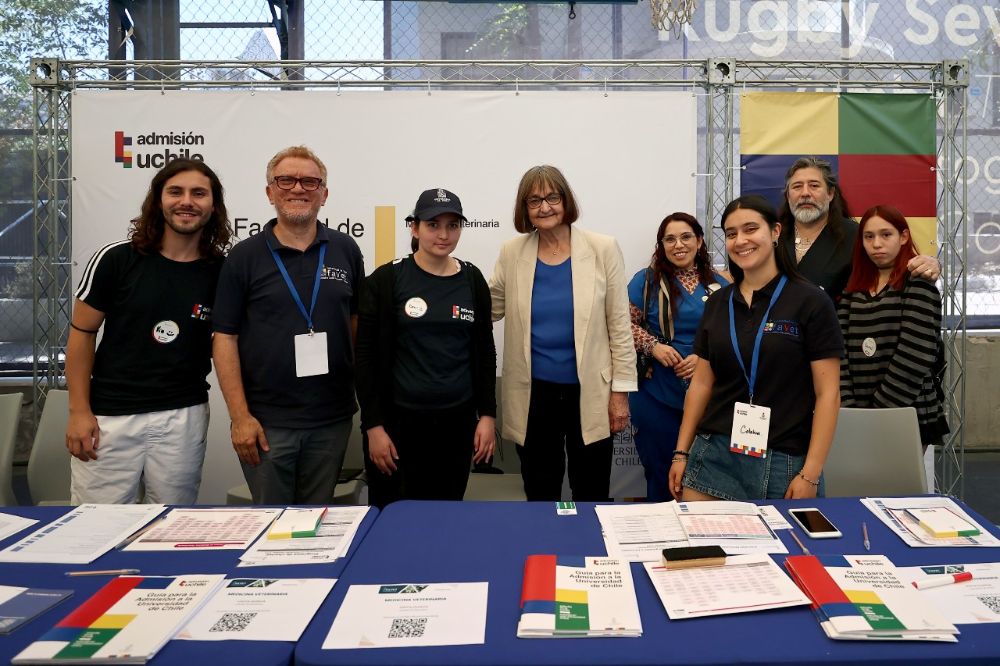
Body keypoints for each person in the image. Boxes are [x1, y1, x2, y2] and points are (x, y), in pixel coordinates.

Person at [65, 158, 232, 504]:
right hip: (109, 417)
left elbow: (227, 343)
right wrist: (78, 411)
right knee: (97, 527)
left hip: (182, 417)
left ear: (213, 205)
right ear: (158, 200)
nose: (187, 201)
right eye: (176, 191)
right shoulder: (116, 259)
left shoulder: (221, 272)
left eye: (199, 193)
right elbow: (81, 334)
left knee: (171, 527)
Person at [213, 145, 364, 505]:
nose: (298, 189)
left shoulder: (346, 249)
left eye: (310, 181)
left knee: (316, 524)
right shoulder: (243, 257)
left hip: (331, 420)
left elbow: (357, 324)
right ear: (270, 192)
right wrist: (239, 418)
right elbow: (224, 338)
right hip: (266, 423)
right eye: (286, 180)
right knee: (270, 526)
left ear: (324, 194)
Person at [669, 195, 843, 501]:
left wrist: (811, 473)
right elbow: (701, 383)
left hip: (784, 460)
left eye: (751, 229)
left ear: (775, 232)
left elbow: (827, 394)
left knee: (785, 549)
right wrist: (681, 453)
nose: (740, 241)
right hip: (714, 453)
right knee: (703, 548)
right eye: (732, 233)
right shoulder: (719, 303)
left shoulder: (811, 301)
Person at [490, 165, 636, 502]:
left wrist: (621, 393)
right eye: (534, 201)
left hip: (592, 393)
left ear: (565, 200)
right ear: (524, 209)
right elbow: (489, 308)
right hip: (533, 395)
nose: (544, 207)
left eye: (552, 197)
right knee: (540, 489)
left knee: (591, 488)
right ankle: (546, 553)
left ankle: (588, 553)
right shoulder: (512, 252)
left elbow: (619, 325)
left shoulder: (603, 248)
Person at [356, 188, 496, 507]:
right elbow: (364, 360)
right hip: (397, 427)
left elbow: (485, 354)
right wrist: (373, 426)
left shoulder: (473, 280)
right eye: (433, 225)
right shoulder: (386, 280)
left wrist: (487, 415)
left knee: (445, 519)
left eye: (452, 225)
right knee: (392, 521)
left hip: (455, 427)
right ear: (415, 228)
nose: (443, 234)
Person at [628, 213, 730, 502]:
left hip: (708, 396)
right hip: (656, 394)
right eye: (670, 239)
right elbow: (622, 326)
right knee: (660, 473)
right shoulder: (646, 281)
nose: (678, 245)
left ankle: (700, 540)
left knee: (704, 475)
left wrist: (703, 356)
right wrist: (653, 346)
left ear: (699, 241)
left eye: (686, 237)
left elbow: (733, 336)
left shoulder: (720, 285)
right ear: (661, 246)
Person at [838, 205, 948, 448]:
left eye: (886, 235)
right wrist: (849, 409)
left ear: (904, 237)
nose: (877, 244)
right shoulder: (852, 288)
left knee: (898, 487)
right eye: (869, 236)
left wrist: (879, 415)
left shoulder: (919, 284)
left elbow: (915, 355)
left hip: (906, 414)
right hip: (855, 417)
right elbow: (839, 351)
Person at [777, 156, 940, 298]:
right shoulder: (772, 236)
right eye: (797, 186)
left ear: (831, 193)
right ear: (788, 195)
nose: (805, 193)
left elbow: (895, 265)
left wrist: (931, 263)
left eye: (814, 185)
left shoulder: (856, 236)